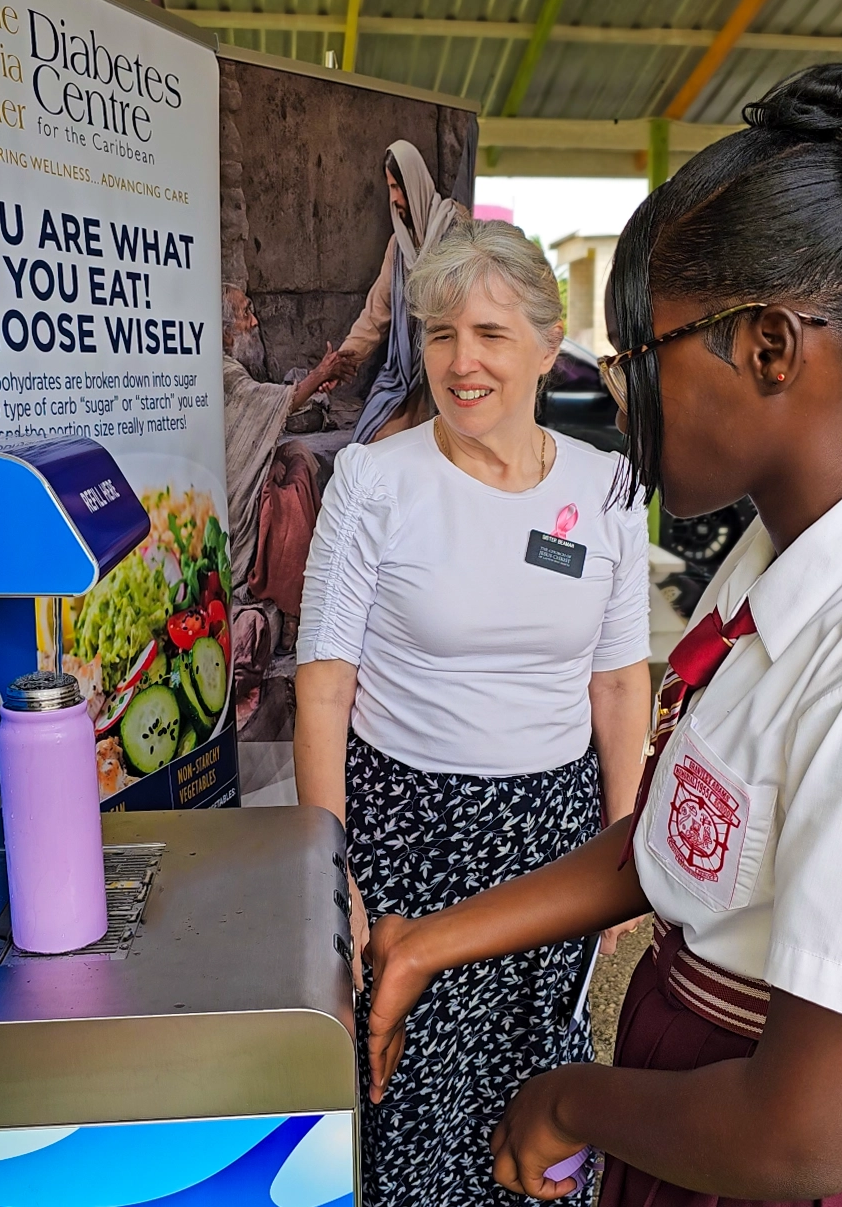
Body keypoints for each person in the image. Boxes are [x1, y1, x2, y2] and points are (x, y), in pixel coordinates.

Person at [365, 64, 842, 1207]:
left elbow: (799, 1137)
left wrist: (569, 1098)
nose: (620, 398)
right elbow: (679, 841)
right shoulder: (765, 570)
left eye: (640, 356)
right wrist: (431, 940)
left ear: (772, 351)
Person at [295, 219, 652, 1206]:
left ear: (548, 342)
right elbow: (323, 683)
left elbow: (621, 680)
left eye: (491, 334)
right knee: (410, 1084)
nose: (463, 362)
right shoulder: (376, 481)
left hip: (556, 835)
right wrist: (335, 874)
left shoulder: (610, 485)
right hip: (412, 832)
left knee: (540, 1087)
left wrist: (624, 845)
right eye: (442, 334)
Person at [222, 283, 355, 588]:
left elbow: (272, 403)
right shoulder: (223, 372)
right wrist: (319, 374)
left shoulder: (232, 368)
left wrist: (314, 384)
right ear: (226, 332)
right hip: (232, 497)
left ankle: (309, 584)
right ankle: (289, 592)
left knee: (296, 457)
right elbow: (268, 402)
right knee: (287, 498)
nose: (254, 322)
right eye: (245, 314)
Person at [334, 140, 466, 445]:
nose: (394, 199)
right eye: (390, 188)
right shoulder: (399, 248)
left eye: (398, 188)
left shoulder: (456, 231)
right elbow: (376, 314)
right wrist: (343, 360)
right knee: (372, 440)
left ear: (415, 183)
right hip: (406, 376)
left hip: (447, 372)